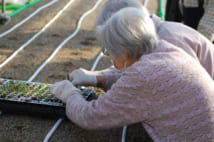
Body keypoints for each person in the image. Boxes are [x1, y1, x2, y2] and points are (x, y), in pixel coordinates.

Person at [51, 8, 214, 141]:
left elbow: (91, 116)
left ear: (122, 50)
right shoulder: (166, 49)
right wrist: (97, 79)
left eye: (109, 52)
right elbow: (139, 85)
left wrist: (70, 94)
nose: (111, 58)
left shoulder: (142, 75)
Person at [70, 0, 214, 84]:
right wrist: (97, 77)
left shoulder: (169, 43)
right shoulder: (155, 36)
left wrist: (94, 81)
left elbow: (146, 82)